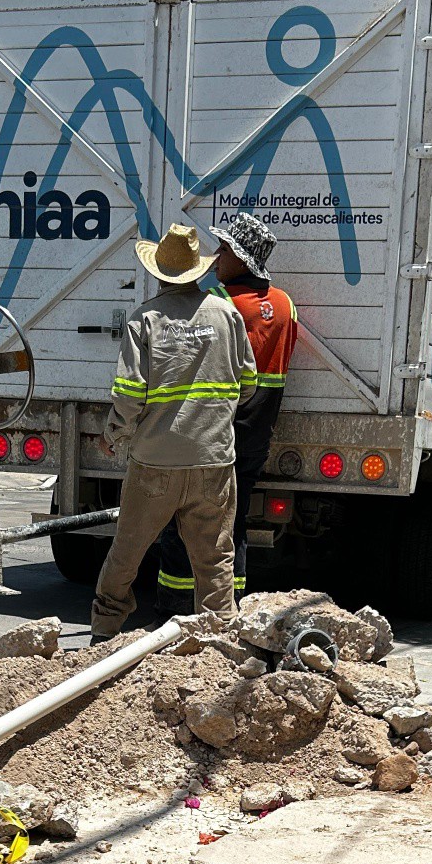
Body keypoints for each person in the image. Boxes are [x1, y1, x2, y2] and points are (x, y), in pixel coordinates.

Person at [90, 222, 257, 641]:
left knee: (127, 553)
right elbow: (249, 382)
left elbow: (129, 396)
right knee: (215, 559)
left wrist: (113, 436)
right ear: (198, 271)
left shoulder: (144, 319)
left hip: (155, 464)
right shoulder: (226, 315)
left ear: (159, 270)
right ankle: (220, 646)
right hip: (214, 461)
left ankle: (102, 633)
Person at [156, 213, 298, 613]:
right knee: (234, 522)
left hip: (217, 431)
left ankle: (175, 605)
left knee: (184, 518)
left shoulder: (219, 304)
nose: (216, 256)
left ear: (242, 257)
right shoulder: (286, 305)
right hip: (258, 432)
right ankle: (230, 605)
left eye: (225, 248)